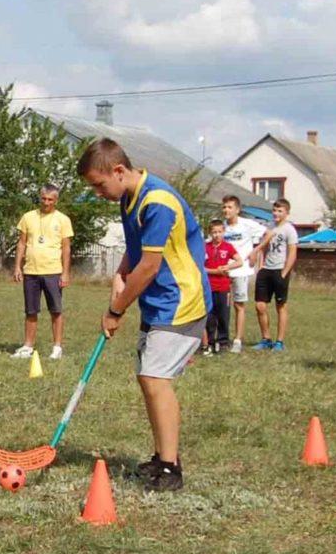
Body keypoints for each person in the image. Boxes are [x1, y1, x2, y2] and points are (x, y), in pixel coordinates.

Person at [77, 138, 206, 492]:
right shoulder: (129, 197)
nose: (98, 193)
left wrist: (115, 310)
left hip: (181, 302)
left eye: (99, 185)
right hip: (158, 301)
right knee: (149, 378)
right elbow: (137, 252)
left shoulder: (157, 201)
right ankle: (164, 457)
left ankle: (170, 469)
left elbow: (150, 266)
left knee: (154, 378)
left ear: (118, 171)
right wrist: (120, 273)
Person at [11, 183, 72, 361]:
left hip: (53, 271)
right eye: (44, 198)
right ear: (40, 198)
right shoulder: (28, 217)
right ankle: (28, 346)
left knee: (56, 310)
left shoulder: (63, 219)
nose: (46, 202)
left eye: (50, 199)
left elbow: (66, 248)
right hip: (31, 271)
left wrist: (65, 273)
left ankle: (57, 347)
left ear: (56, 200)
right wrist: (17, 267)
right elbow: (21, 243)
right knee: (31, 310)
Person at [250, 198, 300, 351]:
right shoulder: (269, 227)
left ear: (286, 213)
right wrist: (260, 266)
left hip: (280, 270)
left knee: (281, 305)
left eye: (280, 211)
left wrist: (285, 272)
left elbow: (292, 253)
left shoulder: (289, 229)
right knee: (260, 305)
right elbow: (264, 247)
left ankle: (279, 341)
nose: (276, 213)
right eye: (274, 210)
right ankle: (266, 338)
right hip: (266, 270)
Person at [216, 195, 264, 354]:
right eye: (224, 207)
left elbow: (268, 233)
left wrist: (255, 251)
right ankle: (221, 338)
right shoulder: (221, 227)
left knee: (239, 305)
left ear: (237, 209)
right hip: (223, 271)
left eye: (229, 207)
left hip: (241, 270)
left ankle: (238, 339)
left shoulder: (247, 224)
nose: (226, 210)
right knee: (222, 306)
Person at [201, 219, 238, 355]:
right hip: (208, 287)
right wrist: (213, 271)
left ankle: (223, 342)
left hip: (223, 287)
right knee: (210, 316)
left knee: (223, 315)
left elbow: (239, 261)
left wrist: (228, 266)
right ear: (210, 233)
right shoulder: (206, 247)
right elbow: (200, 266)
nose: (216, 235)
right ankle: (209, 342)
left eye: (219, 232)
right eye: (214, 232)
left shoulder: (228, 247)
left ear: (224, 232)